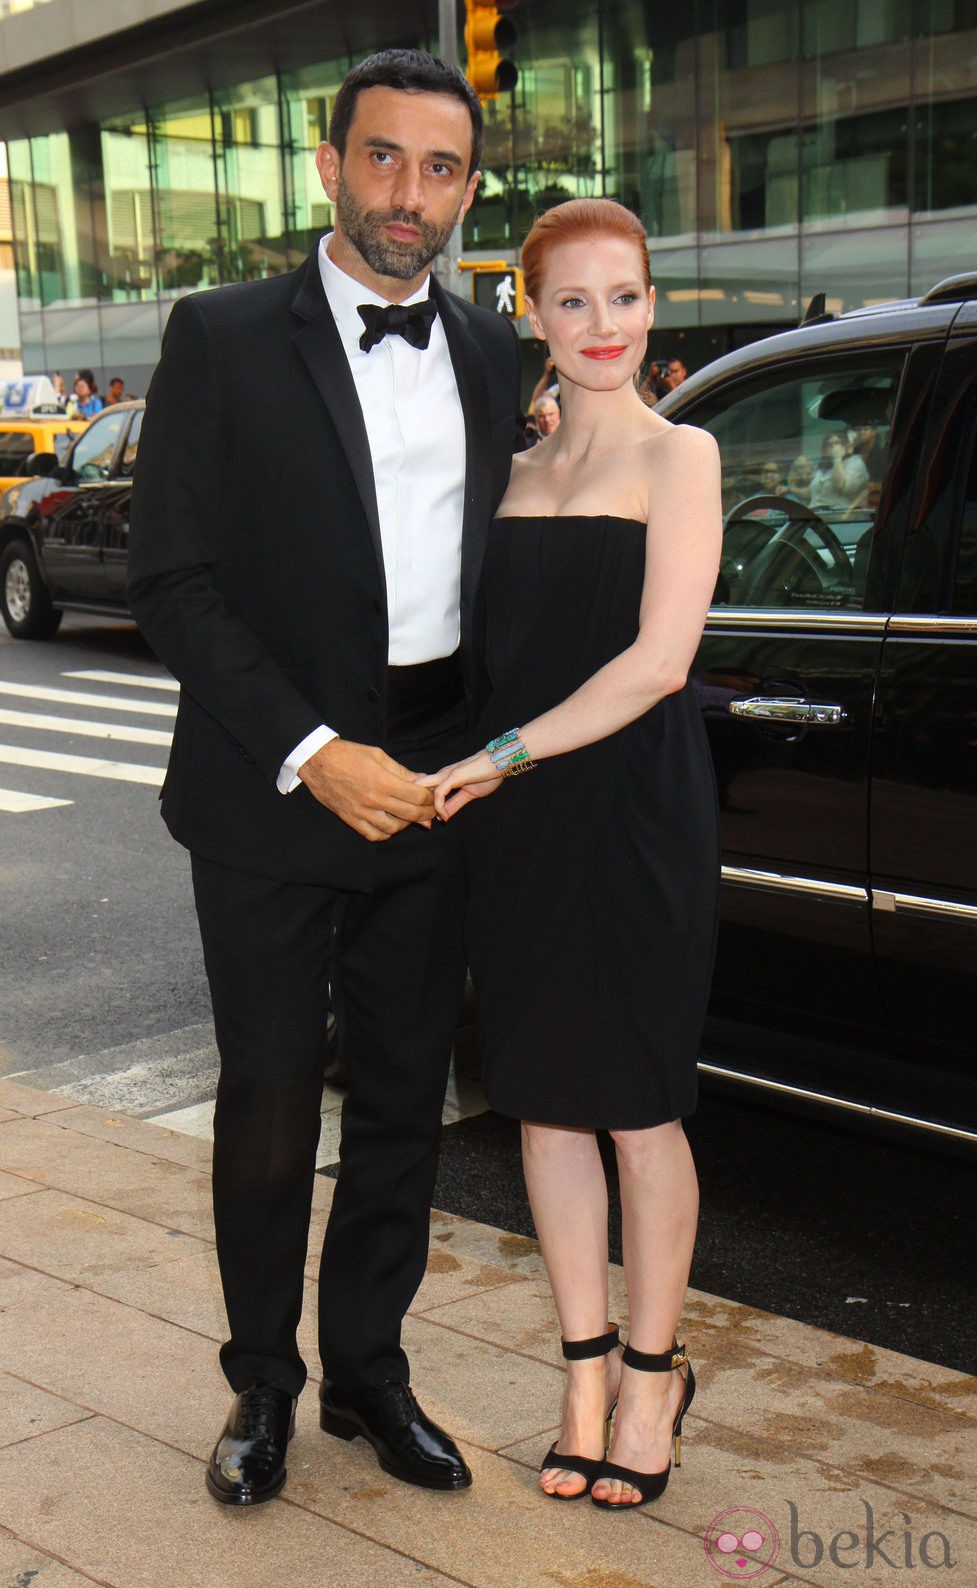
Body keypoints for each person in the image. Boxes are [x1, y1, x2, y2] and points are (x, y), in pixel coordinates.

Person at [127, 48, 523, 1509]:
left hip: (439, 783)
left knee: (411, 1098)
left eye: (439, 168)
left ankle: (370, 1373)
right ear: (328, 163)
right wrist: (312, 752)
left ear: (467, 189)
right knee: (275, 1100)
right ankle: (262, 1390)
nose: (407, 195)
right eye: (382, 159)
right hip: (269, 783)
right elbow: (172, 581)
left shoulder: (493, 351)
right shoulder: (223, 336)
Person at [420, 198, 721, 1509]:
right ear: (533, 316)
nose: (606, 326)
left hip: (633, 815)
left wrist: (498, 758)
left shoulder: (682, 455)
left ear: (653, 305)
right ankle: (585, 1372)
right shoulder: (510, 477)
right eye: (576, 301)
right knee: (545, 1102)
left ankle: (655, 1377)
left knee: (641, 1109)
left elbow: (659, 664)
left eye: (628, 296)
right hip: (521, 830)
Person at [809, 429, 868, 512]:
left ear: (846, 446)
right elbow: (813, 492)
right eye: (829, 445)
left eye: (837, 443)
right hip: (816, 515)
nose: (833, 447)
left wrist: (837, 459)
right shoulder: (823, 467)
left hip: (839, 517)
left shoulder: (856, 462)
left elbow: (841, 486)